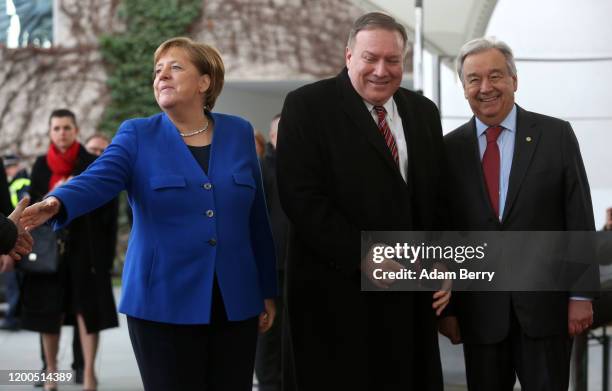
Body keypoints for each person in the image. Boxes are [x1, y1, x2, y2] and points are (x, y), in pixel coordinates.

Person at [21, 37, 278, 391]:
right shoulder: (138, 134)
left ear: (204, 82)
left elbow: (256, 220)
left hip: (235, 302)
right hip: (162, 301)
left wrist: (265, 288)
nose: (162, 76)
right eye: (157, 71)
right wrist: (56, 203)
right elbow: (96, 179)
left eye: (175, 67)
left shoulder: (238, 132)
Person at [276, 12, 449, 390]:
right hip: (335, 299)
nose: (381, 70)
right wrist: (364, 255)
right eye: (371, 58)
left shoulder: (423, 113)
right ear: (349, 56)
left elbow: (436, 198)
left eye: (393, 60)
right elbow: (300, 196)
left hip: (408, 298)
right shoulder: (307, 106)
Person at [440, 37, 597, 390]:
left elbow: (578, 216)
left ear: (514, 80)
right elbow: (445, 230)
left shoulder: (555, 135)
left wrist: (581, 296)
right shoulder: (448, 149)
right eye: (473, 79)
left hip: (546, 310)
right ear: (463, 87)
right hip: (479, 314)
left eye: (495, 76)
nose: (485, 88)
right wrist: (449, 311)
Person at [20, 109, 119, 391]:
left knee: (87, 313)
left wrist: (70, 196)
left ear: (76, 130)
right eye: (57, 128)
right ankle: (51, 372)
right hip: (50, 252)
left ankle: (88, 373)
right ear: (50, 132)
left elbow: (107, 210)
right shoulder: (41, 165)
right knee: (48, 313)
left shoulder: (91, 162)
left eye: (67, 128)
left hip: (85, 250)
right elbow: (31, 209)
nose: (62, 133)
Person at [255, 114, 289, 391]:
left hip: (301, 267)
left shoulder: (309, 169)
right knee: (269, 335)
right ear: (273, 137)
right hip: (270, 268)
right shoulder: (260, 170)